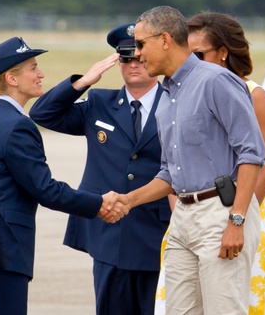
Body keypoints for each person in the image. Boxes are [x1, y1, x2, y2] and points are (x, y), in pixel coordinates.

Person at [109, 6, 265, 315]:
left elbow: (252, 153)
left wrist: (237, 220)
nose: (137, 54)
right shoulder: (165, 96)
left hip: (221, 213)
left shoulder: (216, 81)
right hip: (182, 218)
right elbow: (170, 173)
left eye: (141, 44)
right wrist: (128, 200)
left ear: (165, 39)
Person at [29, 23, 170, 315]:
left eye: (140, 56)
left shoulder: (176, 102)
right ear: (118, 62)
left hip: (157, 229)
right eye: (126, 57)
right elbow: (42, 113)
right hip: (109, 233)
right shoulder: (100, 103)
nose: (134, 64)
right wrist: (82, 82)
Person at [0, 36, 125, 315]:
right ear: (11, 78)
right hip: (7, 249)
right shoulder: (16, 126)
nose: (41, 73)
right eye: (33, 68)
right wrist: (99, 203)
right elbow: (45, 190)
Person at [187, 12, 265, 315]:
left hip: (238, 216)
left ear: (224, 52)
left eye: (199, 54)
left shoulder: (254, 96)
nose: (191, 62)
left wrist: (235, 221)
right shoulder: (185, 92)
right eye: (187, 54)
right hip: (194, 218)